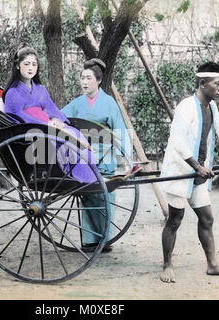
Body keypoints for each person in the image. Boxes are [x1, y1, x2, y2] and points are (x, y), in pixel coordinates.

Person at [159, 62, 219, 283]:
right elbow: (178, 142)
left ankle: (213, 264)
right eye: (217, 84)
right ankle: (167, 265)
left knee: (207, 218)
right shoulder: (186, 107)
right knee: (175, 219)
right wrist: (197, 166)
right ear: (202, 83)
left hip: (199, 173)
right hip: (180, 170)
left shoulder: (211, 107)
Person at [62, 58, 132, 252]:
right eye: (82, 78)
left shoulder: (109, 103)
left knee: (105, 194)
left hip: (106, 156)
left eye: (88, 78)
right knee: (86, 194)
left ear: (98, 81)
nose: (84, 82)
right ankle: (90, 240)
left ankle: (105, 239)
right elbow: (60, 118)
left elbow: (119, 130)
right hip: (83, 155)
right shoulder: (77, 103)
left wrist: (124, 159)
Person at [2, 47, 94, 183]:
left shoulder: (41, 89)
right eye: (26, 64)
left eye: (34, 64)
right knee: (62, 139)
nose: (30, 68)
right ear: (17, 65)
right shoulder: (12, 92)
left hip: (48, 125)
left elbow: (52, 109)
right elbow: (18, 116)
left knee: (75, 134)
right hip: (31, 130)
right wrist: (47, 124)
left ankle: (87, 177)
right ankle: (72, 175)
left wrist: (60, 121)